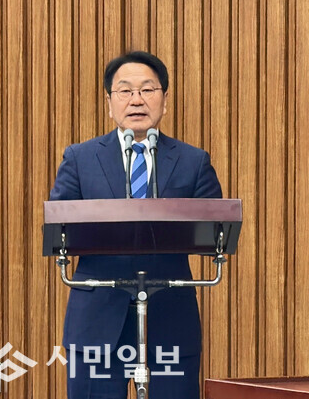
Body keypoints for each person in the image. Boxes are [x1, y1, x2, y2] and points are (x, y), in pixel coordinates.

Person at [49, 51, 222, 398]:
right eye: (125, 91)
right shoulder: (80, 158)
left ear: (165, 100)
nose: (136, 100)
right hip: (97, 319)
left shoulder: (193, 161)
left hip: (170, 317)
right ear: (109, 103)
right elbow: (60, 223)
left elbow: (215, 226)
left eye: (147, 90)